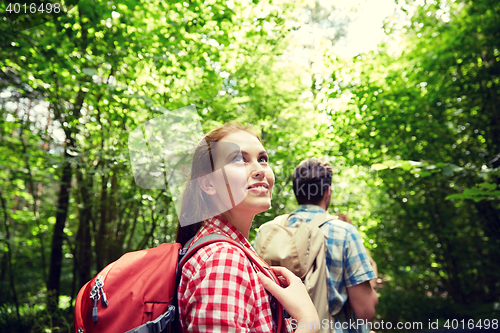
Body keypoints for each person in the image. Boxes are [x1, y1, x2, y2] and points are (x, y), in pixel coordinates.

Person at [175, 123, 320, 333]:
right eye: (238, 159)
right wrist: (308, 321)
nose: (260, 170)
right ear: (208, 184)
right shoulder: (223, 259)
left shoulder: (228, 251)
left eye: (262, 159)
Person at [284, 158, 379, 332]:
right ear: (327, 192)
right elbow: (365, 311)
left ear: (296, 192)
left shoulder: (272, 231)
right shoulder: (344, 232)